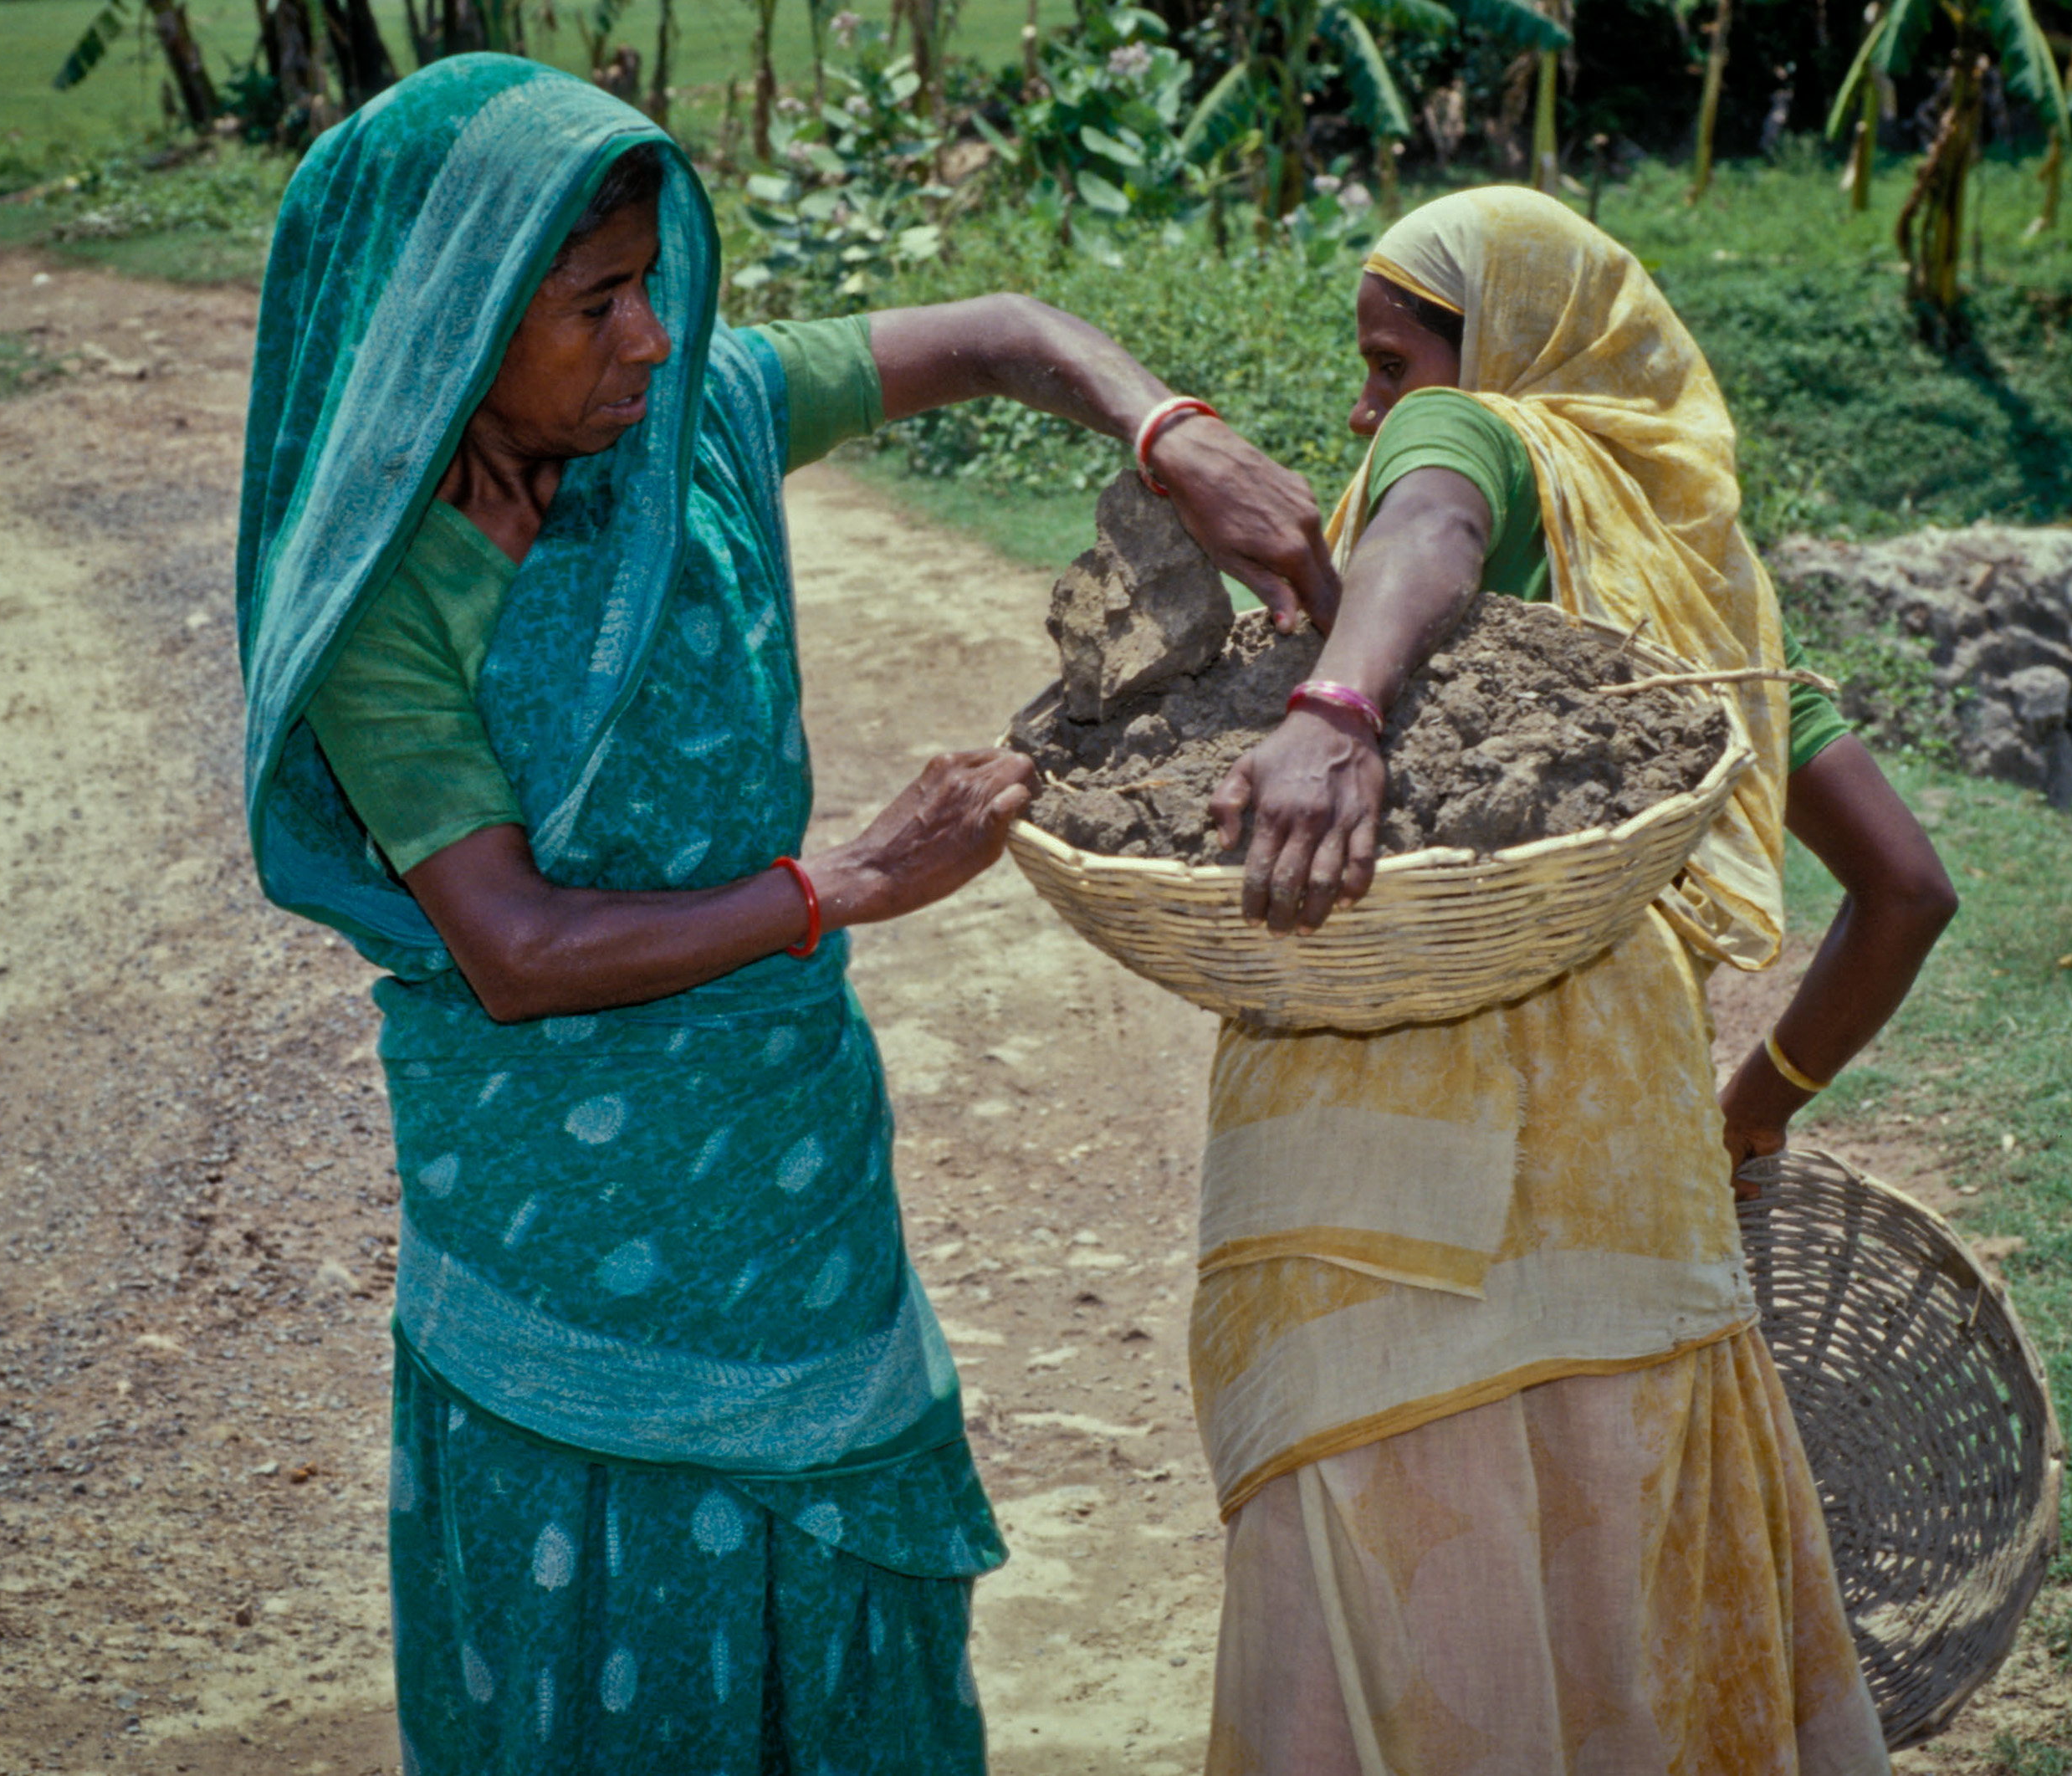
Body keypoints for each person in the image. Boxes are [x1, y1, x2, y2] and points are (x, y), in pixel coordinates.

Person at [231, 57, 1329, 1776]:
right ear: (448, 326)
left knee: (840, 1631)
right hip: (560, 1233)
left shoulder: (703, 424)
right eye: (597, 305)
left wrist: (1171, 433)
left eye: (655, 283)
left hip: (788, 1186)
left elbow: (1005, 333)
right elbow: (513, 950)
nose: (654, 340)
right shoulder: (383, 608)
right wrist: (847, 884)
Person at [1189, 187, 1957, 1773]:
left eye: (1389, 362)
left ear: (1503, 358)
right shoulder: (1694, 590)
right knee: (1625, 1608)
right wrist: (1758, 1110)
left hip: (1390, 1183)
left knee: (1400, 1599)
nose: (1368, 406)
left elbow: (1433, 522)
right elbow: (1906, 887)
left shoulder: (1469, 440)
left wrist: (1337, 703)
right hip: (1632, 1181)